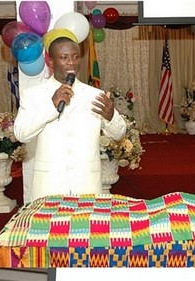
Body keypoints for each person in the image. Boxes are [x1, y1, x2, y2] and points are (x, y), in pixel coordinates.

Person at [13, 31, 127, 203]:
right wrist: (50, 106)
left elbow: (118, 134)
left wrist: (111, 117)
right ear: (50, 60)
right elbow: (21, 134)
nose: (71, 63)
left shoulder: (95, 95)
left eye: (75, 57)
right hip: (48, 187)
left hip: (87, 187)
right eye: (64, 57)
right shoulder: (33, 95)